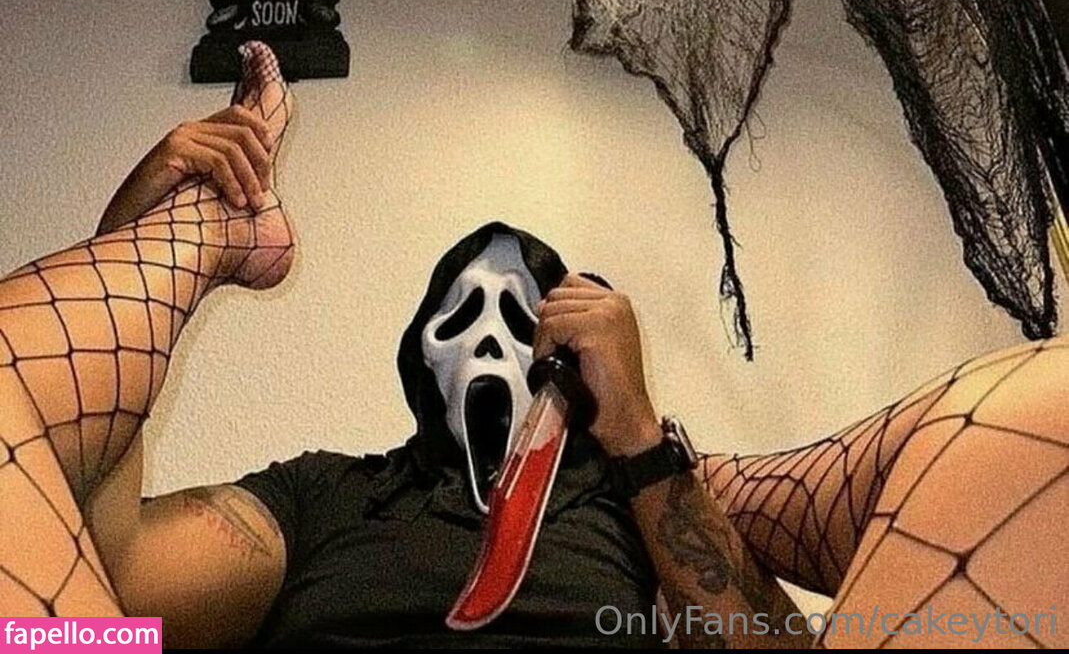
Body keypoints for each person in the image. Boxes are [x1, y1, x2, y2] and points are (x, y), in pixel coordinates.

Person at [0, 43, 1064, 648]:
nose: (487, 346)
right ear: (417, 355)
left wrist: (636, 434)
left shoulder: (641, 499)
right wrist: (127, 241)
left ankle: (197, 241)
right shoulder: (327, 494)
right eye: (458, 319)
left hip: (650, 468)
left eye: (522, 321)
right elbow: (100, 606)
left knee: (1039, 402)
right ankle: (187, 241)